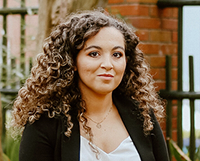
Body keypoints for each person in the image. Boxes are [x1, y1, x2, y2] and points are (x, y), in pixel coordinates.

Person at [12, 9, 169, 161]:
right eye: (94, 54)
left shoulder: (142, 116)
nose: (108, 64)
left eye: (117, 54)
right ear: (72, 61)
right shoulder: (45, 124)